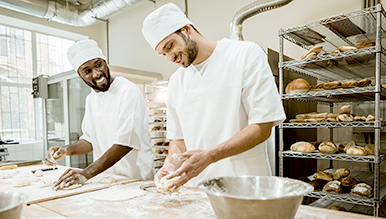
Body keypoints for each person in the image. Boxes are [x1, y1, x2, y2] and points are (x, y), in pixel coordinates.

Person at [142, 3, 286, 188]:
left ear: (186, 30)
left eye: (170, 47)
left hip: (245, 185)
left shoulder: (245, 55)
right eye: (164, 54)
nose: (170, 58)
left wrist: (211, 156)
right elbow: (179, 141)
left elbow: (262, 126)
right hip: (196, 189)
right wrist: (170, 164)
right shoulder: (176, 82)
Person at [46, 39, 154, 190]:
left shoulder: (127, 91)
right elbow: (89, 140)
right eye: (87, 71)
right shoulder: (91, 99)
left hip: (135, 179)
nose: (97, 73)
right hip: (106, 179)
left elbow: (125, 143)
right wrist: (67, 149)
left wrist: (86, 173)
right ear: (80, 75)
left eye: (98, 65)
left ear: (105, 62)